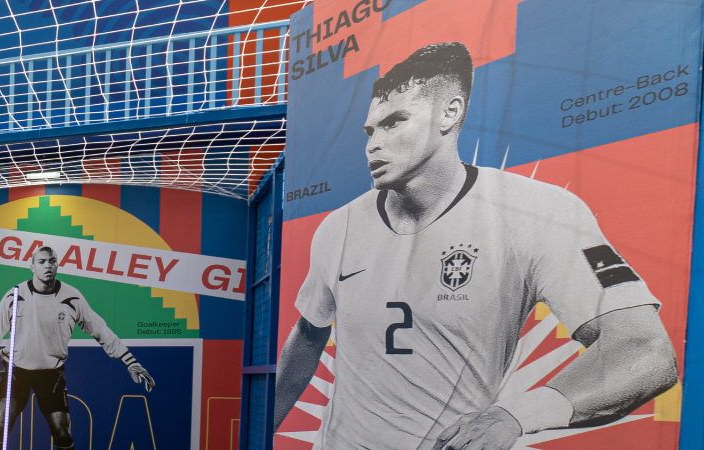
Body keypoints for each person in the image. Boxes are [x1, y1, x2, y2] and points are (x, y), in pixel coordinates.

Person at [273, 42, 679, 450]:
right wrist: (260, 430)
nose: (373, 144)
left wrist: (516, 416)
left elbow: (644, 350)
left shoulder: (536, 212)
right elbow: (308, 335)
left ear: (449, 113)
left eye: (394, 122)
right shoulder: (338, 227)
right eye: (371, 130)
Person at [0, 246, 153, 450]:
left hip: (51, 374)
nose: (47, 266)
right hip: (16, 372)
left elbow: (101, 330)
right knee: (1, 422)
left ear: (57, 265)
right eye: (42, 262)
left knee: (62, 432)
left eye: (52, 261)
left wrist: (131, 362)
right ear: (32, 267)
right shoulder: (15, 296)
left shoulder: (71, 297)